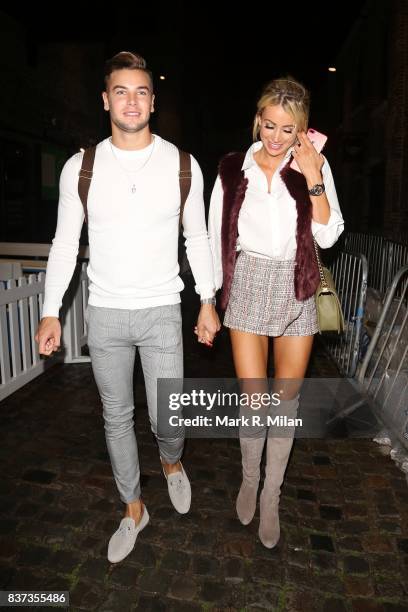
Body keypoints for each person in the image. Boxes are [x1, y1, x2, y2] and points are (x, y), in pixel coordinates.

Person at [35, 51, 220, 563]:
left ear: (153, 101)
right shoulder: (82, 167)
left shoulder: (182, 165)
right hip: (107, 313)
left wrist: (207, 299)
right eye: (121, 91)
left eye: (141, 91)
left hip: (163, 308)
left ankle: (171, 461)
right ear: (105, 100)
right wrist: (52, 310)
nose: (131, 100)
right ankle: (134, 506)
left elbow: (198, 236)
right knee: (115, 417)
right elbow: (65, 245)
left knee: (169, 417)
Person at [208, 76, 344, 548]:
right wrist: (209, 300)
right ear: (257, 120)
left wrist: (314, 177)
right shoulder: (231, 169)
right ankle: (249, 477)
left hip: (296, 283)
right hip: (247, 283)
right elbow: (213, 239)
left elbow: (328, 237)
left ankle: (271, 494)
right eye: (270, 125)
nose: (277, 137)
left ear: (303, 130)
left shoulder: (309, 168)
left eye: (289, 129)